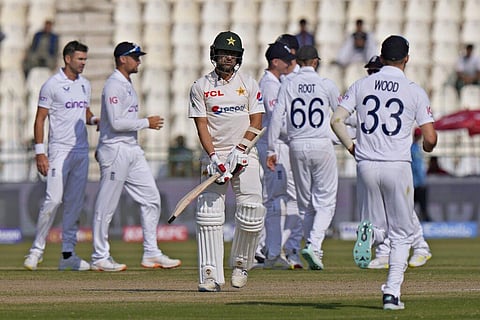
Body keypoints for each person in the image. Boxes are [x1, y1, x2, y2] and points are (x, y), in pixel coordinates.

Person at [331, 35, 437, 310]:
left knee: (378, 224)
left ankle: (372, 235)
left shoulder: (362, 84)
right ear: (407, 58)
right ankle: (391, 293)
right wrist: (426, 146)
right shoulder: (414, 90)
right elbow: (431, 138)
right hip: (397, 166)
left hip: (366, 165)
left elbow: (336, 120)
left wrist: (352, 148)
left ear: (381, 57)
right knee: (401, 233)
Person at [90, 42, 181, 272]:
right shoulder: (113, 85)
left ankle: (151, 253)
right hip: (115, 150)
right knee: (106, 205)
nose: (139, 61)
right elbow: (116, 122)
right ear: (122, 59)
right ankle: (99, 256)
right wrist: (146, 123)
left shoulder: (127, 84)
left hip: (131, 149)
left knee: (151, 199)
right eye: (135, 57)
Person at [189, 31, 265, 292]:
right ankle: (209, 275)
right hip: (215, 158)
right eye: (224, 53)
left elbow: (257, 121)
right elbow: (202, 126)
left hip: (245, 155)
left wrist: (240, 150)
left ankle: (242, 263)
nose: (228, 58)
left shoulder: (250, 83)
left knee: (253, 212)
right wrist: (213, 158)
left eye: (233, 54)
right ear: (214, 55)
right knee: (209, 217)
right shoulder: (200, 86)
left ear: (239, 57)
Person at [23, 40, 98, 271]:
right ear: (68, 59)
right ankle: (36, 250)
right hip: (58, 150)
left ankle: (68, 254)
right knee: (53, 200)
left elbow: (84, 112)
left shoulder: (85, 84)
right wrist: (40, 153)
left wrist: (95, 120)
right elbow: (40, 119)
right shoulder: (51, 85)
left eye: (85, 59)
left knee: (74, 204)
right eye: (80, 59)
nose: (84, 63)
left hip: (80, 151)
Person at [268, 45, 340, 270]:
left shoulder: (288, 83)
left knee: (305, 204)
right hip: (321, 143)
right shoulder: (326, 84)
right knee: (326, 201)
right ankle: (314, 245)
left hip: (296, 145)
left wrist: (271, 149)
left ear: (297, 61)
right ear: (316, 61)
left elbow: (277, 117)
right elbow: (342, 115)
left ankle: (312, 250)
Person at [362, 64, 432, 270]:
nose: (371, 75)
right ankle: (386, 252)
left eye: (374, 70)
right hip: (378, 157)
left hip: (395, 157)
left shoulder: (401, 92)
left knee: (403, 209)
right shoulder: (371, 91)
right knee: (387, 208)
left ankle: (420, 247)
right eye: (370, 71)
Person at [256, 41, 298, 270]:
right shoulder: (270, 86)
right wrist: (299, 133)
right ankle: (271, 252)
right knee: (275, 200)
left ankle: (273, 250)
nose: (290, 64)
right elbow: (276, 121)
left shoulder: (276, 83)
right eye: (286, 60)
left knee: (279, 199)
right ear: (275, 62)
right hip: (274, 147)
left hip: (277, 146)